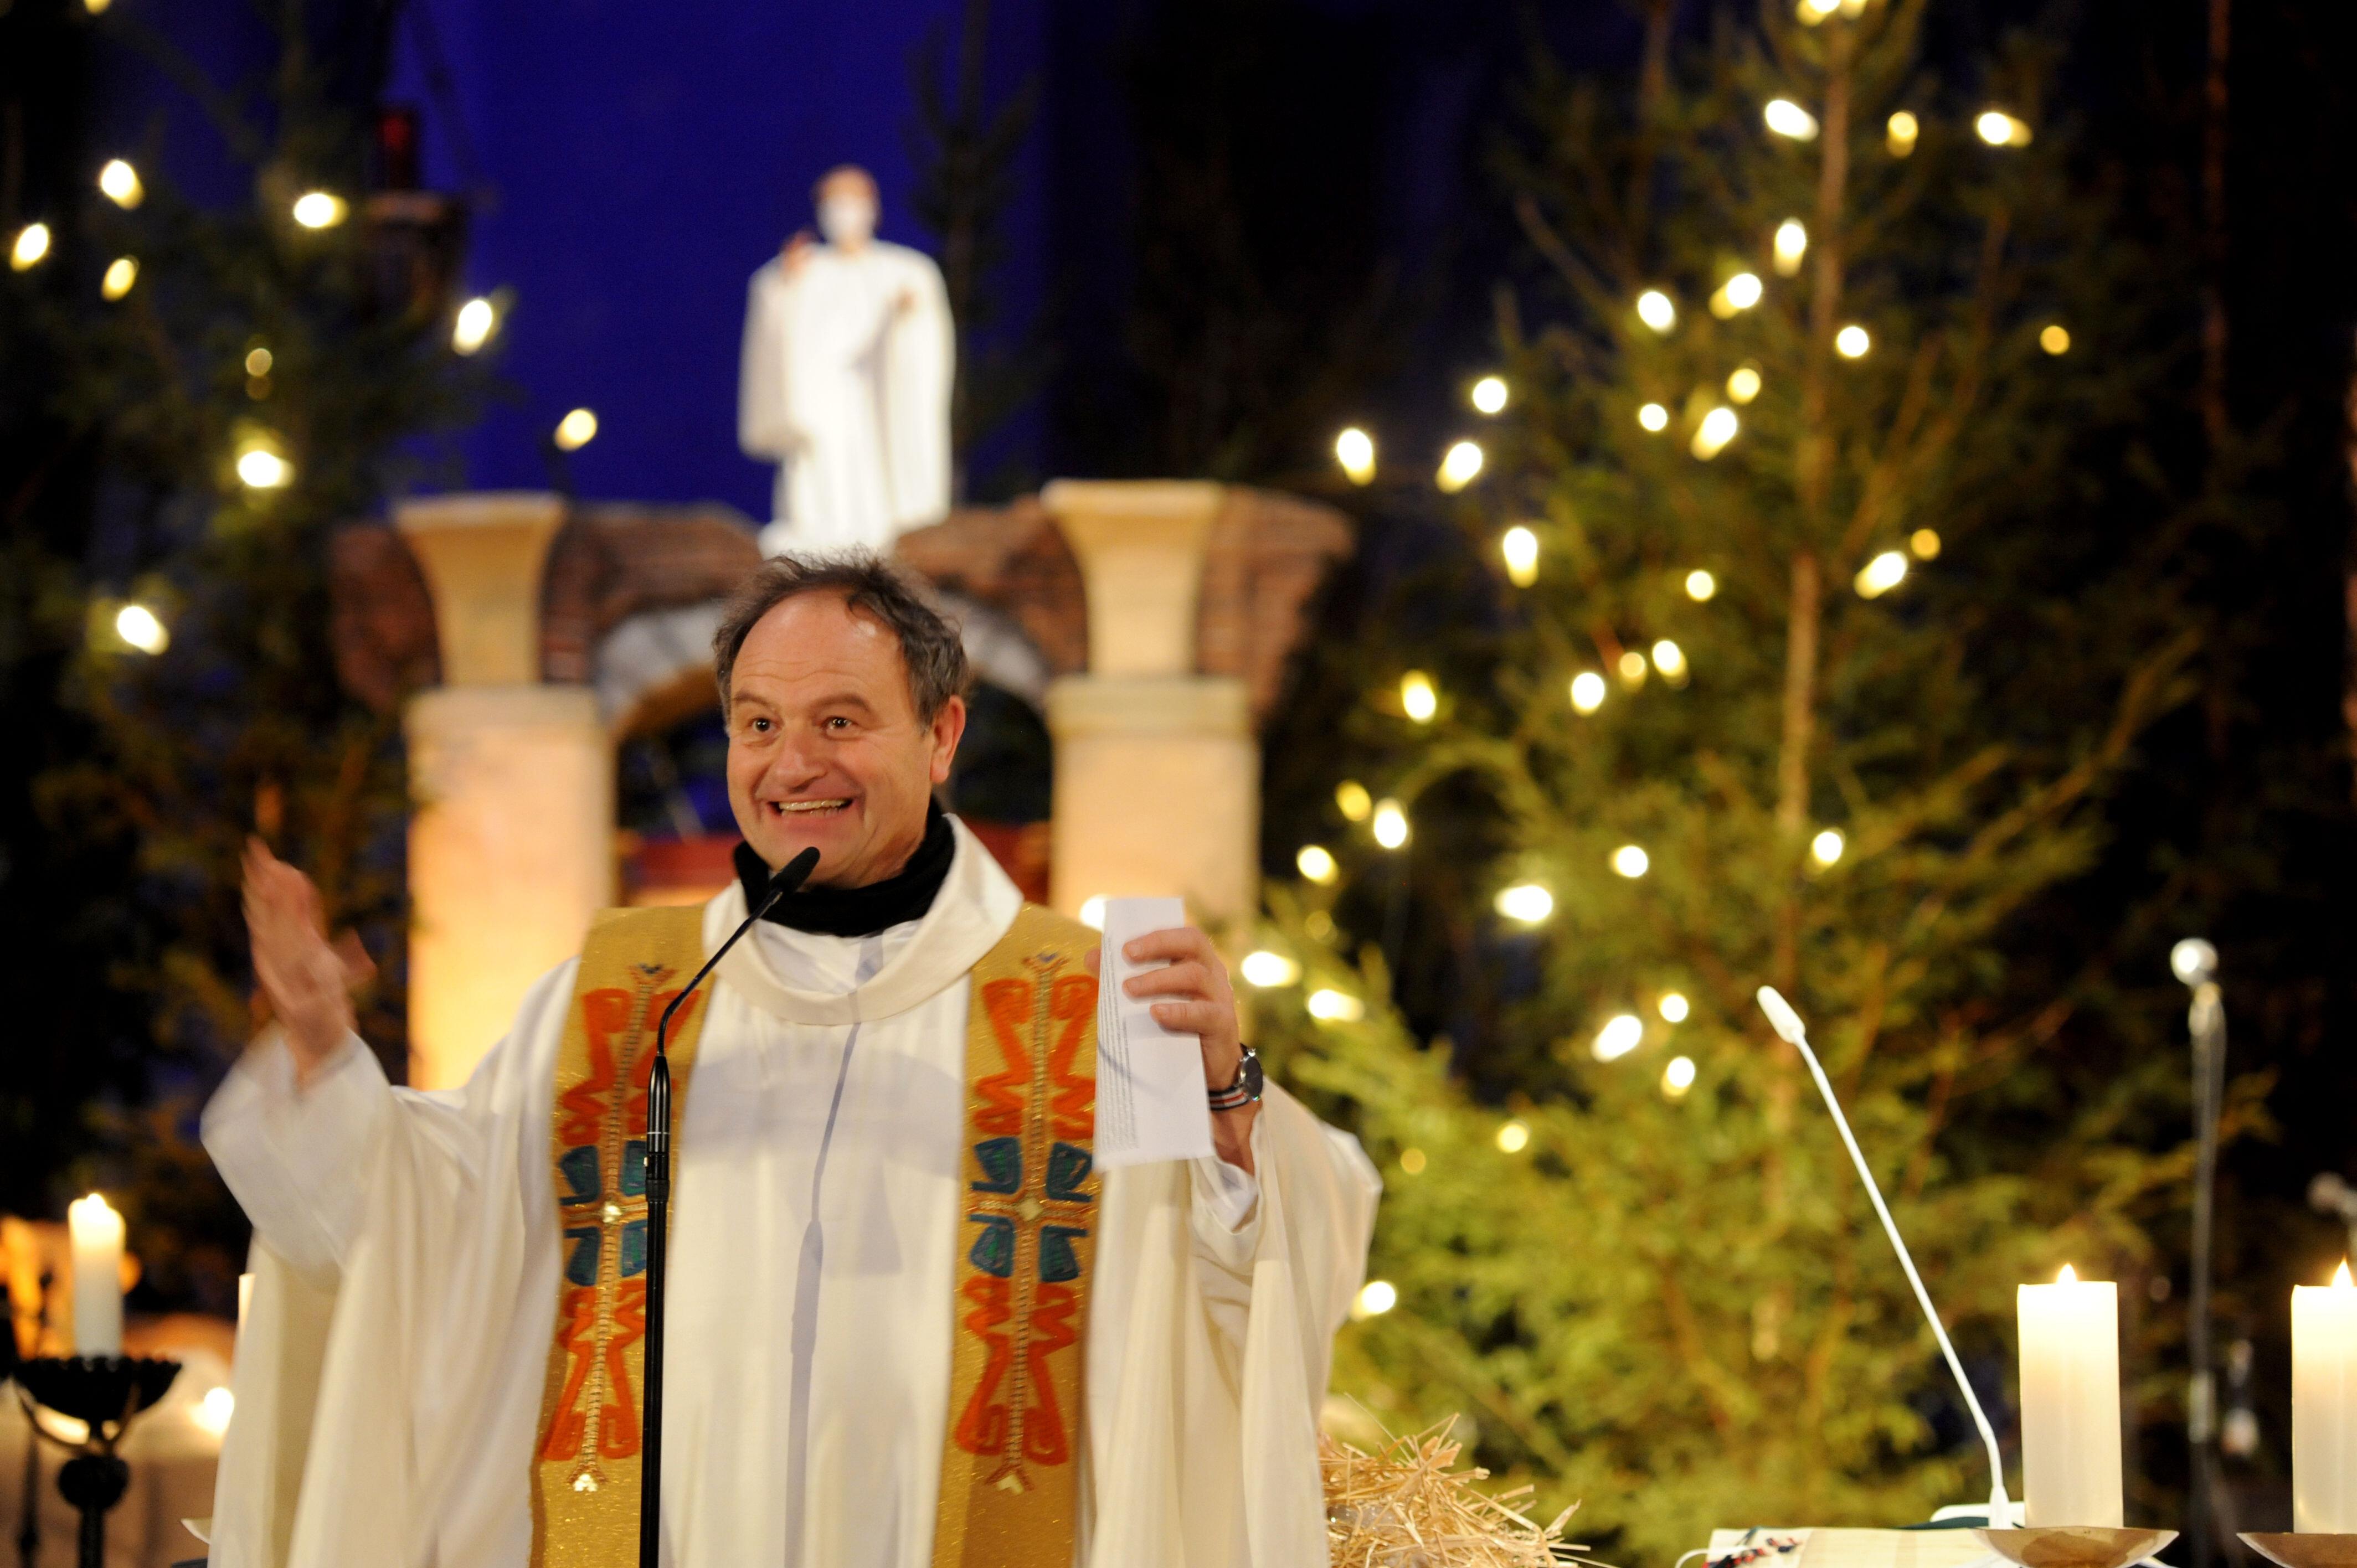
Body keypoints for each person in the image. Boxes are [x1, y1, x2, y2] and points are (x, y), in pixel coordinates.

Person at [204, 554, 1381, 1568]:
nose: (790, 764)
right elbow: (438, 1223)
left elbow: (1237, 1289)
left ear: (942, 734)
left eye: (839, 721)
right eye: (758, 724)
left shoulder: (1091, 997)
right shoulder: (630, 993)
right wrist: (321, 1058)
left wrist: (1229, 1098)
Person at [738, 166, 954, 558]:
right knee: (818, 475)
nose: (845, 213)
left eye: (855, 202)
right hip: (818, 404)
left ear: (874, 208)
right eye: (835, 203)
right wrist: (785, 285)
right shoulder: (805, 270)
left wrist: (906, 319)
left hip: (875, 399)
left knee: (871, 479)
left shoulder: (905, 269)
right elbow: (773, 316)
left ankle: (884, 535)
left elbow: (925, 335)